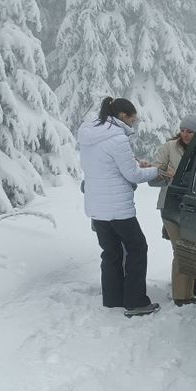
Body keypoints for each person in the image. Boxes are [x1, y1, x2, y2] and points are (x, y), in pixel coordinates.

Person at [78, 97, 165, 317]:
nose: (133, 125)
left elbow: (105, 167)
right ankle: (135, 302)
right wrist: (155, 171)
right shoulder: (117, 138)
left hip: (97, 207)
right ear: (123, 117)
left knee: (111, 253)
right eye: (133, 120)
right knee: (138, 248)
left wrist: (136, 164)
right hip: (118, 208)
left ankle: (113, 298)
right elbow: (132, 175)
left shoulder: (89, 134)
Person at [154, 114, 196, 306]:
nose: (185, 134)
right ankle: (182, 296)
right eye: (183, 130)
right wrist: (163, 174)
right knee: (181, 249)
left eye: (190, 131)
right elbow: (152, 177)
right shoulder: (169, 148)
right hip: (171, 206)